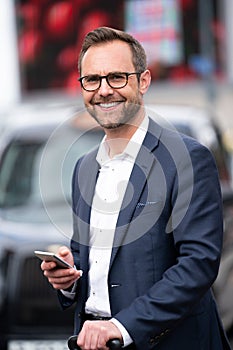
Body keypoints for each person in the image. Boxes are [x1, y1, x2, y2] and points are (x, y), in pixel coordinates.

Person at [41, 27, 231, 350]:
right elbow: (91, 260)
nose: (104, 90)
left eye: (117, 77)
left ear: (143, 82)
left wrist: (121, 326)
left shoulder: (188, 159)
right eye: (92, 80)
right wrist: (68, 278)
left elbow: (197, 265)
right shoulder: (84, 168)